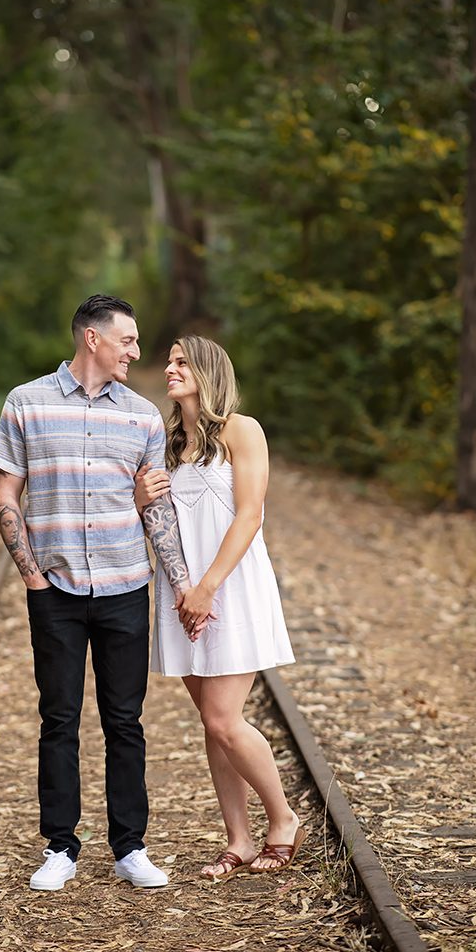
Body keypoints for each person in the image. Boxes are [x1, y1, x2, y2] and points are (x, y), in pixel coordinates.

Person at [0, 294, 206, 891]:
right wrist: (32, 577)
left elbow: (155, 510)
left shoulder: (143, 416)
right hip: (54, 589)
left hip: (125, 585)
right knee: (58, 718)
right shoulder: (26, 402)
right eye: (127, 340)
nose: (136, 352)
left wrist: (182, 585)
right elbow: (5, 494)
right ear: (93, 338)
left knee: (125, 722)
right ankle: (60, 847)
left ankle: (130, 848)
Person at [134, 335, 305, 880]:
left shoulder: (241, 430)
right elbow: (156, 519)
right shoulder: (165, 443)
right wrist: (139, 501)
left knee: (223, 718)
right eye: (169, 361)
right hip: (182, 593)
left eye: (182, 362)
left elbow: (250, 514)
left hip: (229, 586)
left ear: (209, 371)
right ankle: (239, 838)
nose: (170, 368)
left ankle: (283, 819)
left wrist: (207, 588)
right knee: (212, 724)